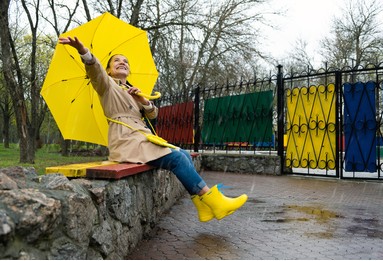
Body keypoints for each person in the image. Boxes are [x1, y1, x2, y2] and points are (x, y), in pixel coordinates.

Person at [58, 36, 247, 222]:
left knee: (185, 155)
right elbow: (95, 70)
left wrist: (143, 100)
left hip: (141, 138)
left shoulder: (131, 90)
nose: (122, 63)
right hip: (126, 141)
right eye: (117, 61)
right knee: (176, 158)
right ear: (108, 69)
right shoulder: (106, 85)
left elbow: (153, 116)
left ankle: (202, 206)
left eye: (126, 61)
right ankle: (214, 201)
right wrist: (84, 51)